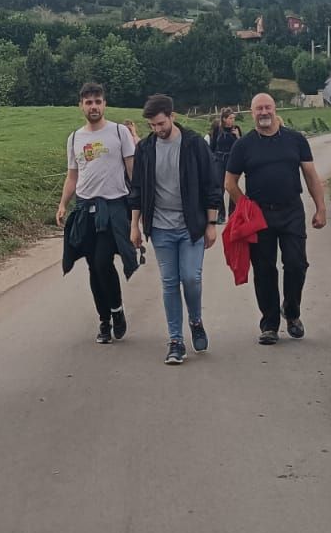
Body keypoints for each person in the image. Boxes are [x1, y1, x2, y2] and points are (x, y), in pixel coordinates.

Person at [223, 92, 327, 344]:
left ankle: (291, 313)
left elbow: (311, 175)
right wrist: (246, 208)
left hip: (291, 210)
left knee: (296, 264)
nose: (264, 113)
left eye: (267, 107)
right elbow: (229, 182)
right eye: (258, 109)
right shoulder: (243, 145)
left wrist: (320, 207)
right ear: (252, 113)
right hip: (260, 215)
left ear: (275, 108)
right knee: (264, 268)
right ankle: (269, 323)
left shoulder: (295, 139)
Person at [129, 95, 222, 363]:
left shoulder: (194, 145)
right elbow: (137, 190)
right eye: (152, 125)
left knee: (191, 278)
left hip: (190, 226)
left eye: (160, 123)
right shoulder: (145, 148)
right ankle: (175, 341)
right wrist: (134, 225)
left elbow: (211, 186)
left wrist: (212, 224)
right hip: (160, 227)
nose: (157, 130)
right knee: (170, 283)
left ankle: (195, 320)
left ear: (172, 116)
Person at [57, 81, 137, 343]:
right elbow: (72, 176)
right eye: (88, 102)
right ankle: (104, 320)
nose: (93, 106)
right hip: (85, 209)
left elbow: (131, 170)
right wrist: (63, 204)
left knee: (103, 262)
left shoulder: (118, 132)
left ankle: (117, 310)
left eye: (98, 101)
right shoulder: (74, 138)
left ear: (105, 103)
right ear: (81, 105)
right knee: (93, 266)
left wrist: (139, 208)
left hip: (113, 207)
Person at [207, 107, 242, 224]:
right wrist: (212, 161)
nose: (232, 120)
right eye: (230, 118)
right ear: (224, 119)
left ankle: (232, 214)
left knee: (232, 187)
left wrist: (238, 137)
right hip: (219, 160)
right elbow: (212, 147)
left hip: (232, 160)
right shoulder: (217, 129)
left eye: (234, 118)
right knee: (219, 189)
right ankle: (221, 215)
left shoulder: (236, 129)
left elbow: (242, 146)